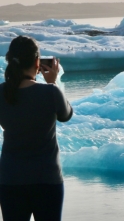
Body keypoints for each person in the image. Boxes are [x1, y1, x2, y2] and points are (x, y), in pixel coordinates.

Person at [0, 35, 73, 221]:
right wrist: (53, 82)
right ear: (37, 62)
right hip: (47, 179)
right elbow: (66, 115)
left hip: (11, 179)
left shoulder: (2, 92)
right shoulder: (50, 92)